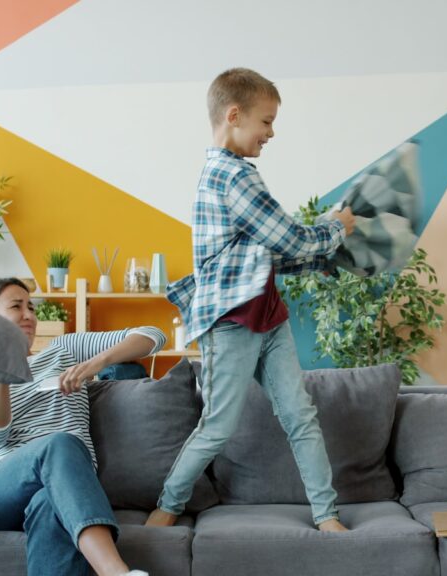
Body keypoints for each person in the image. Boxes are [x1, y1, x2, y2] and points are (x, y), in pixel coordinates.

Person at [146, 68, 355, 532]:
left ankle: (326, 515)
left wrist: (324, 250)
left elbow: (266, 255)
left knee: (300, 416)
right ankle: (167, 507)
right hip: (232, 324)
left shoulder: (234, 174)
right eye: (266, 121)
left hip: (269, 318)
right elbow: (291, 239)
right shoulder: (232, 177)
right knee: (218, 427)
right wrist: (336, 228)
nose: (271, 133)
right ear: (234, 115)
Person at [0, 277, 166, 576]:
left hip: (65, 487)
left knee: (48, 503)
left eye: (31, 307)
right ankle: (115, 572)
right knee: (60, 442)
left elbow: (153, 335)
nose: (28, 315)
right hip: (0, 490)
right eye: (16, 306)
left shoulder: (63, 351)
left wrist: (97, 363)